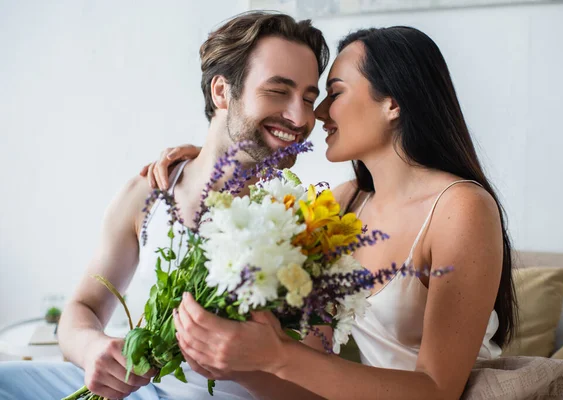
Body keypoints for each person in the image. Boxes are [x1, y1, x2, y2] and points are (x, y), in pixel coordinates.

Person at [143, 26, 518, 400]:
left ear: (393, 103)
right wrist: (204, 160)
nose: (318, 112)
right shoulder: (343, 206)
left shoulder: (461, 208)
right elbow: (313, 383)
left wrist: (278, 354)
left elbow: (439, 391)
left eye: (334, 93)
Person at [0, 11, 330, 400]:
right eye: (278, 91)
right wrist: (93, 349)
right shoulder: (149, 192)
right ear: (221, 92)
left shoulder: (304, 224)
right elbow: (81, 309)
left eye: (310, 98)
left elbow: (315, 388)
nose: (300, 116)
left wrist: (238, 362)